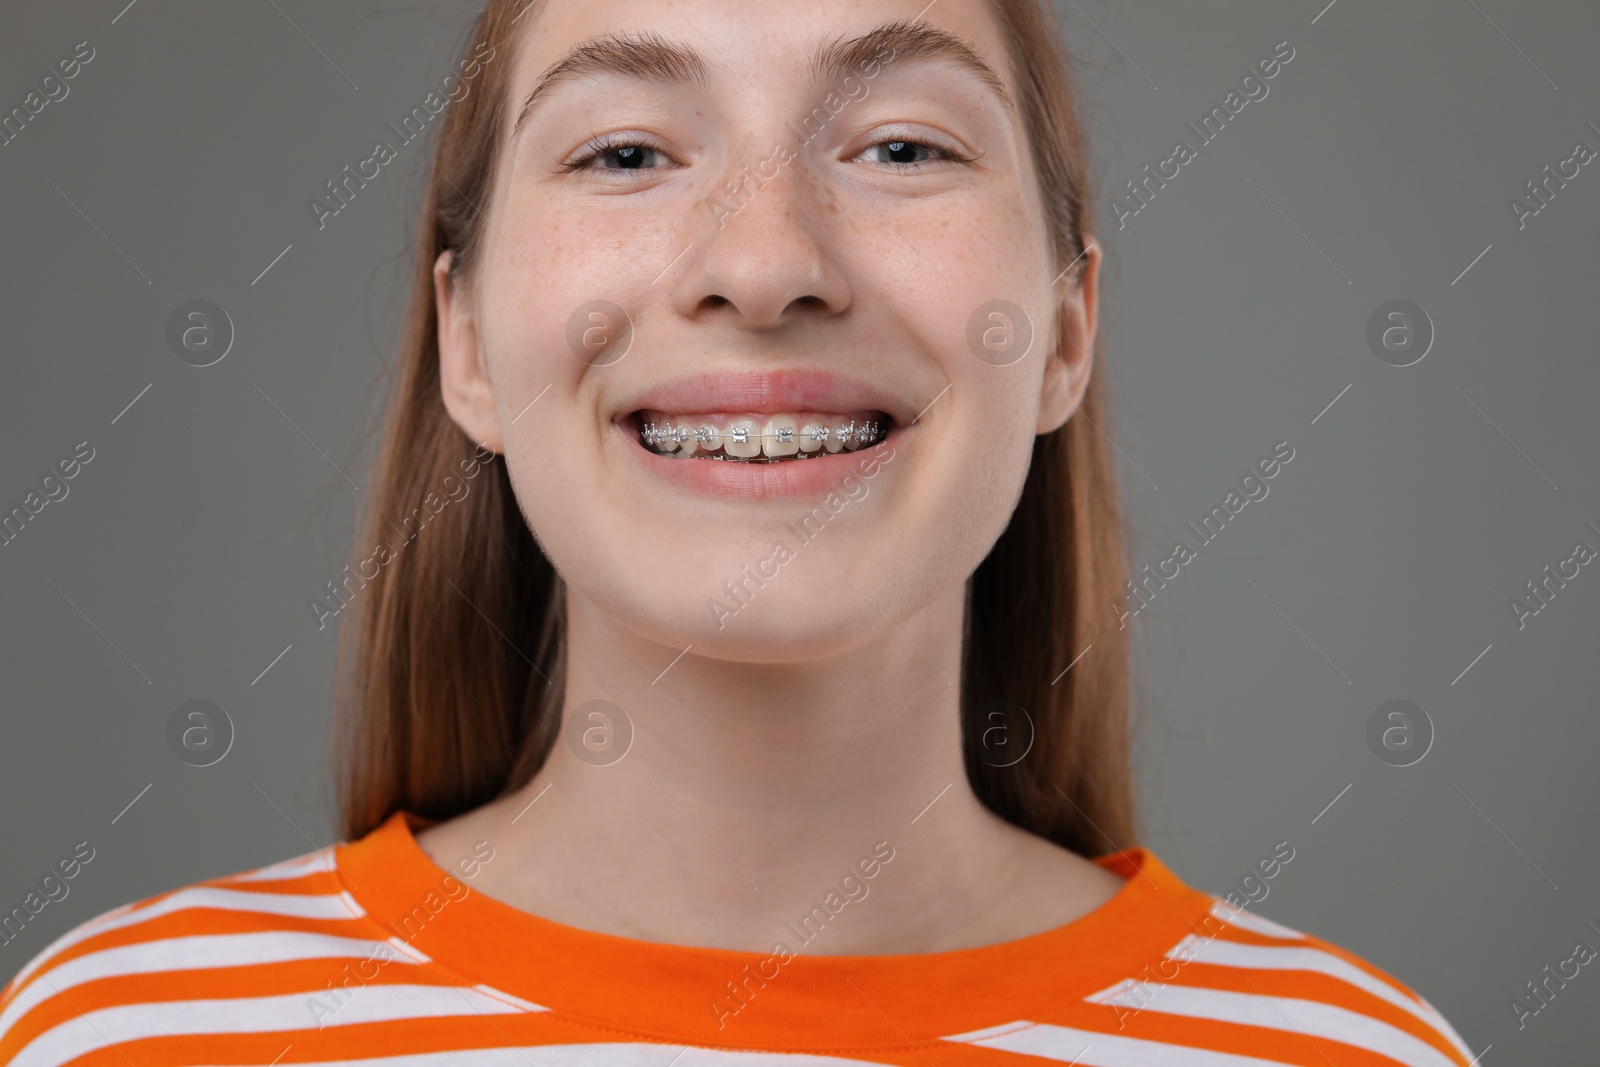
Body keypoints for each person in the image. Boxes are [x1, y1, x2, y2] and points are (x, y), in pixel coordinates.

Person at [0, 0, 1476, 1063]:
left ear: (1068, 331)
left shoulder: (1354, 1052)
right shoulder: (122, 1034)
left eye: (901, 147)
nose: (765, 264)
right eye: (628, 152)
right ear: (465, 341)